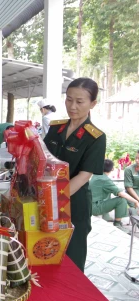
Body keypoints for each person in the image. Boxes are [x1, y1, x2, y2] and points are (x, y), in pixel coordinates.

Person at [44, 77, 106, 272]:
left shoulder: (95, 137)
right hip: (46, 200)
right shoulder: (55, 128)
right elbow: (43, 160)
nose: (72, 106)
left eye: (80, 102)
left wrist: (55, 199)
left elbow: (84, 176)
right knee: (46, 251)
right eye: (69, 99)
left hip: (73, 204)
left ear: (92, 104)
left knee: (73, 257)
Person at [90, 159, 138, 231]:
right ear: (112, 169)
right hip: (95, 208)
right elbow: (121, 194)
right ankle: (117, 224)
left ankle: (106, 216)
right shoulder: (105, 180)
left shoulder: (96, 175)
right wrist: (136, 201)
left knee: (108, 192)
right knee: (121, 200)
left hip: (90, 205)